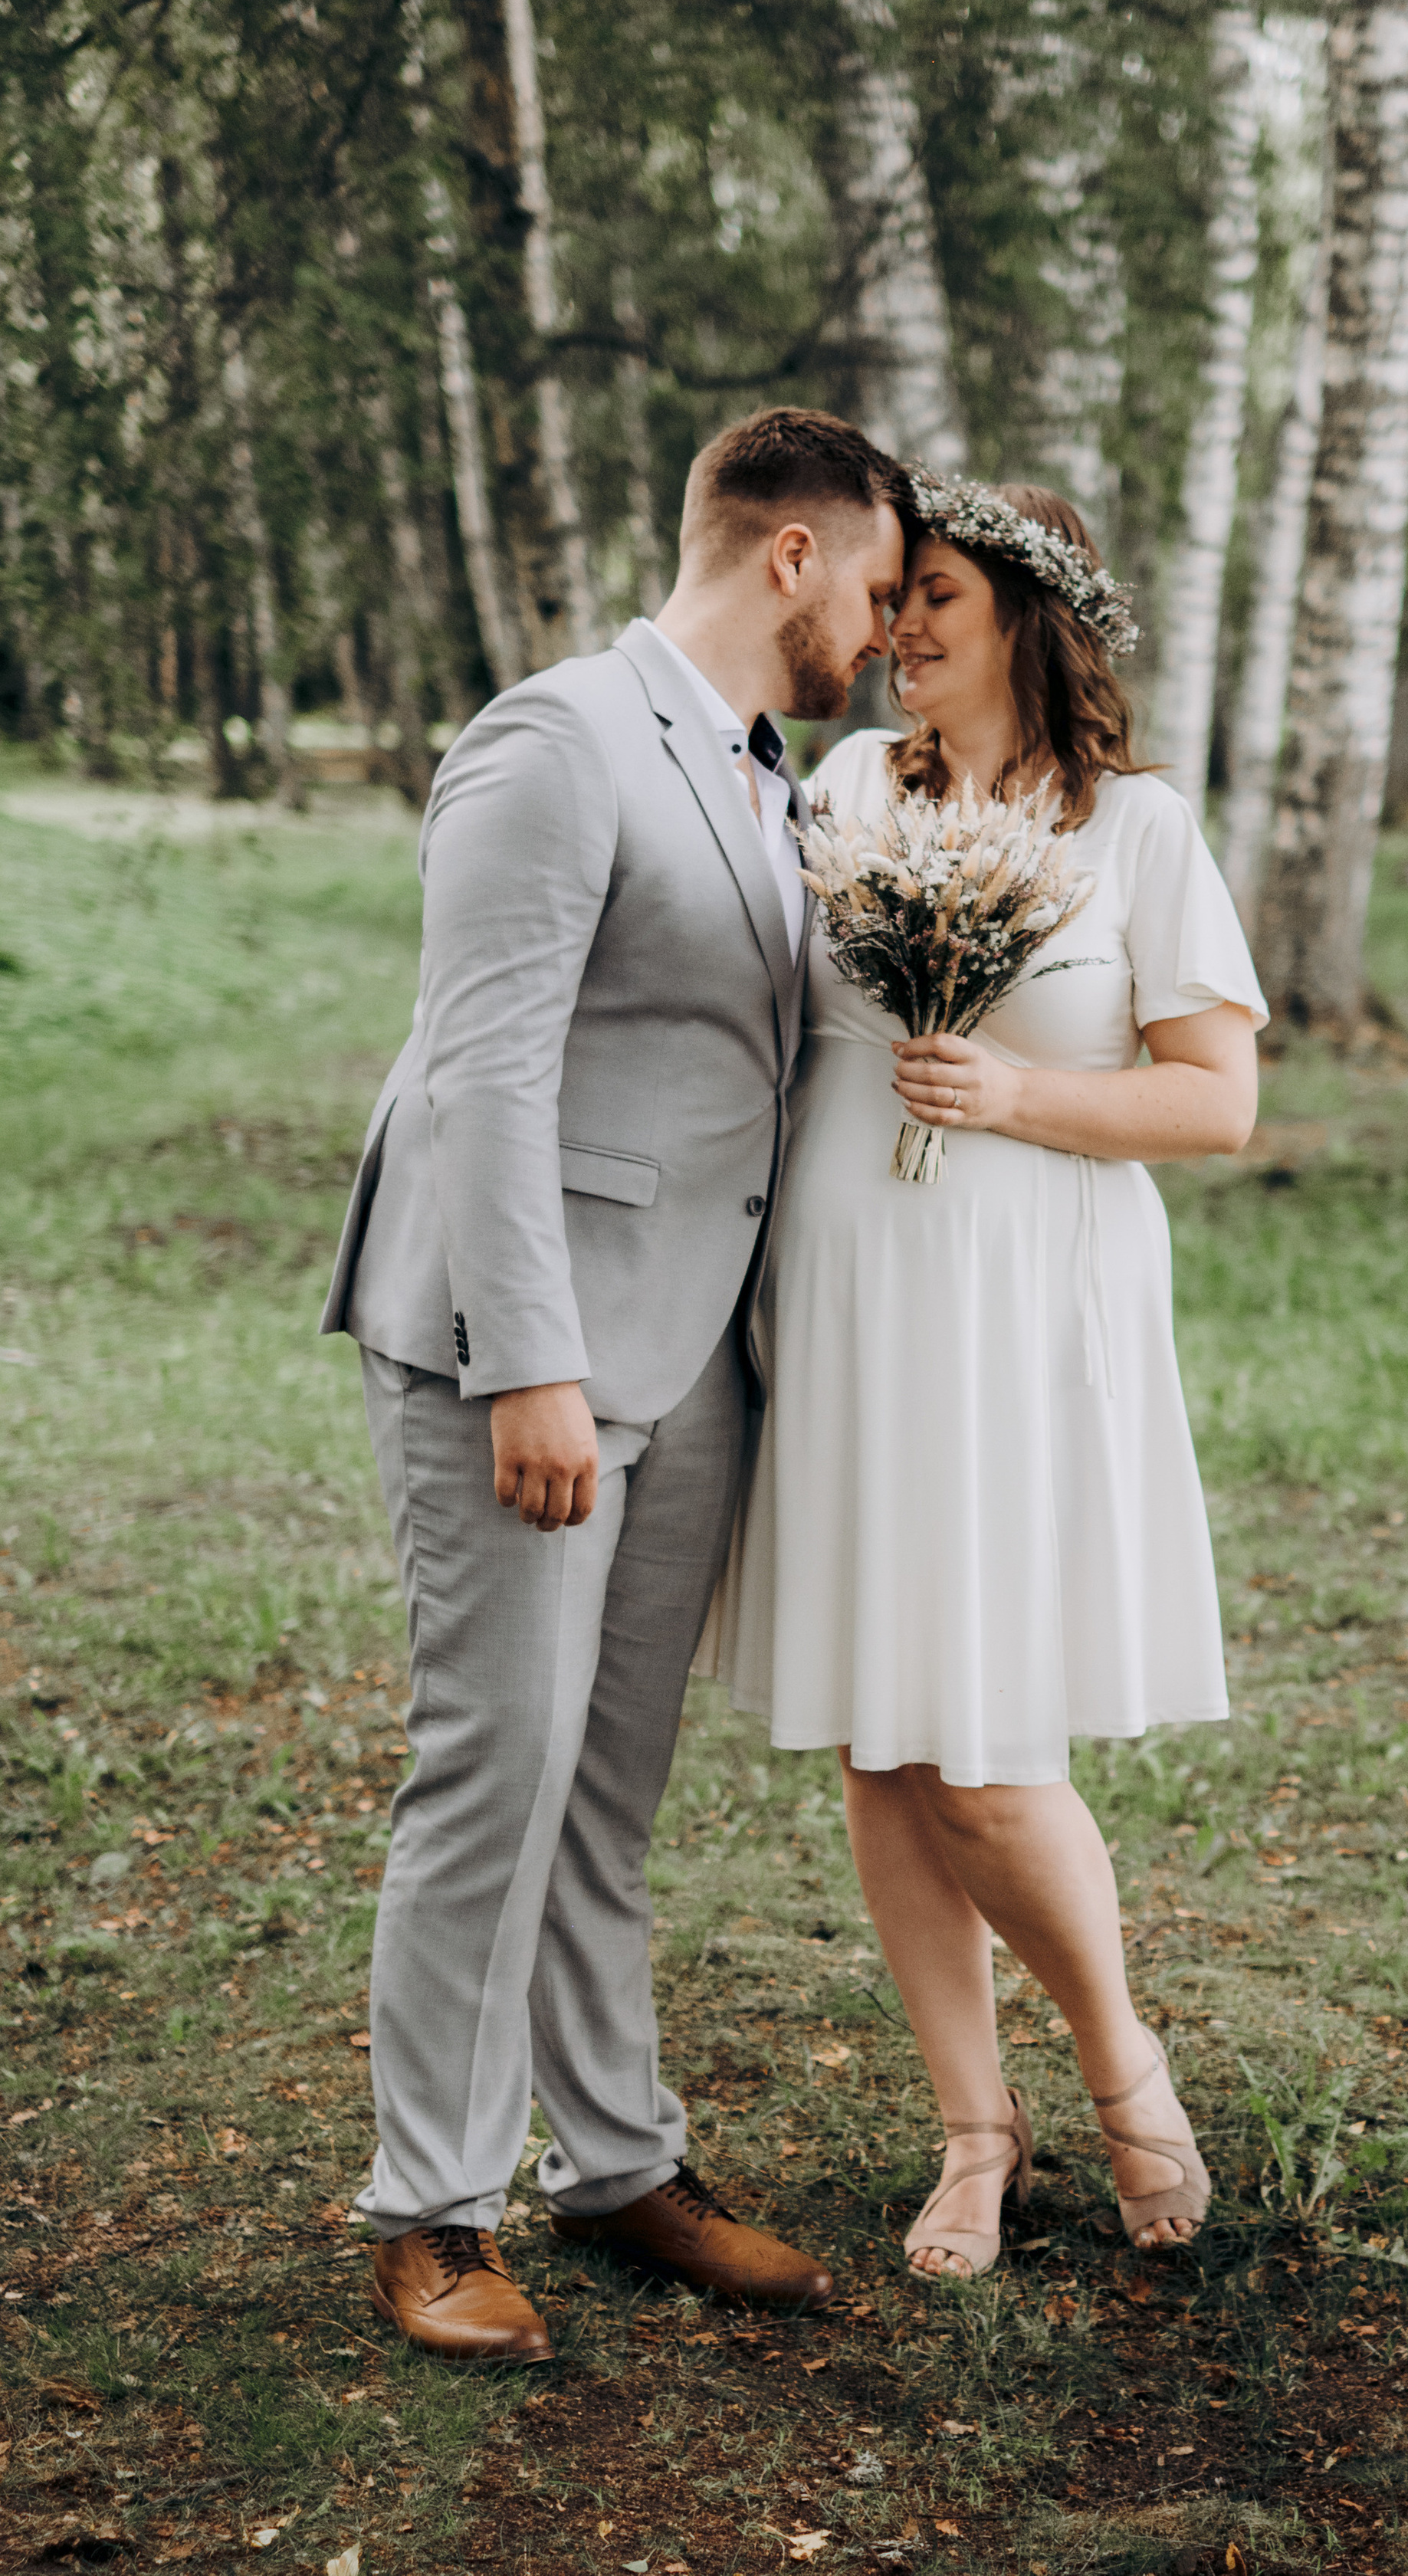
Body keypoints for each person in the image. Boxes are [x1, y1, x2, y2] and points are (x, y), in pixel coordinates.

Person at [319, 408, 909, 2360]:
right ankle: (427, 2211)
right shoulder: (552, 738)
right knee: (493, 1774)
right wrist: (530, 1368)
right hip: (537, 1358)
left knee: (610, 1792)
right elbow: (480, 1069)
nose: (890, 636)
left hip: (699, 1354)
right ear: (792, 559)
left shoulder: (777, 783)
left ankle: (614, 2163)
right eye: (883, 590)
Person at [704, 477, 1265, 2279]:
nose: (899, 629)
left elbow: (1214, 1100)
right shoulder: (844, 788)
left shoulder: (1134, 829)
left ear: (1028, 614)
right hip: (851, 1299)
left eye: (934, 595)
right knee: (884, 1738)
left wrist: (1020, 1097)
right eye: (894, 599)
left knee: (987, 1749)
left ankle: (1118, 2065)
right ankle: (971, 2127)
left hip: (1026, 1311)